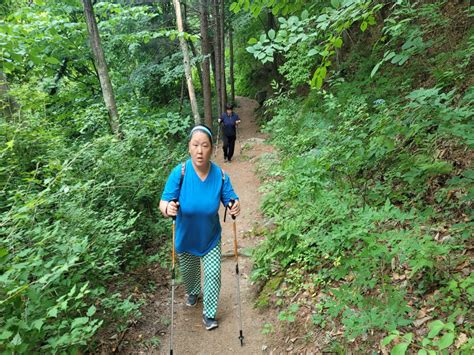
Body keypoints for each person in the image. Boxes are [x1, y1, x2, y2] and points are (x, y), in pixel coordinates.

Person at [159, 124, 241, 331]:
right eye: (195, 145)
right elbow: (164, 202)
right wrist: (168, 207)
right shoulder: (180, 172)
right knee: (189, 273)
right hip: (186, 238)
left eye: (205, 145)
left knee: (213, 273)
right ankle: (193, 291)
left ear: (212, 149)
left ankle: (209, 314)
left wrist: (234, 204)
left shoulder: (221, 176)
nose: (200, 150)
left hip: (210, 238)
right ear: (189, 147)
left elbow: (230, 198)